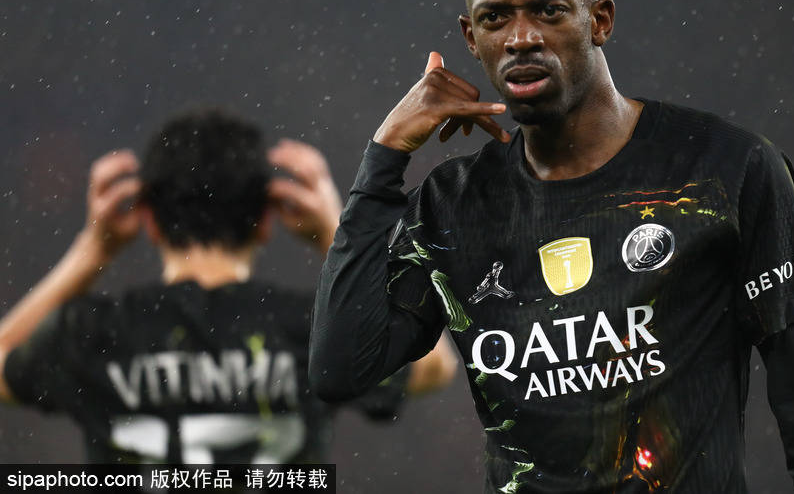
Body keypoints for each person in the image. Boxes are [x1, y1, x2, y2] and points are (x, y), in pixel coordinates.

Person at [310, 0, 794, 492]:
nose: (521, 38)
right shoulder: (451, 206)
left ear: (599, 21)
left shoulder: (725, 170)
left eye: (549, 11)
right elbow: (339, 370)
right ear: (472, 38)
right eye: (496, 18)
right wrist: (382, 159)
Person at [0, 109, 456, 463]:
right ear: (265, 221)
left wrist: (90, 251)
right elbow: (433, 366)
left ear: (149, 221)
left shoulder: (97, 334)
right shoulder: (310, 330)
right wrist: (338, 235)